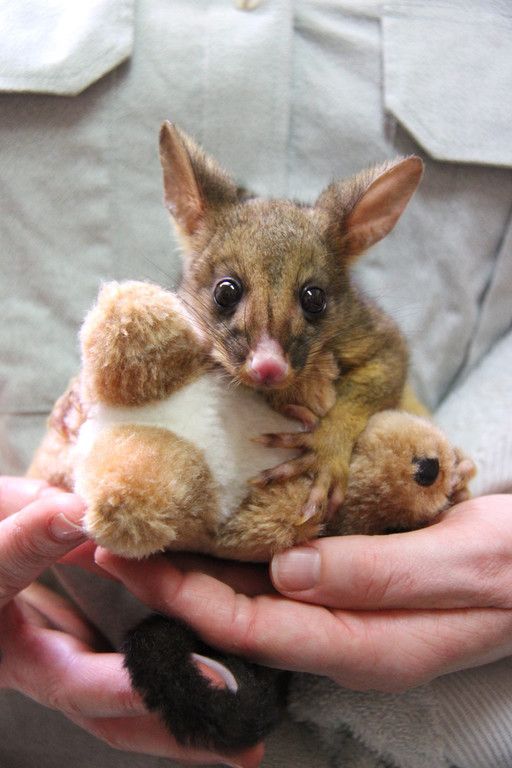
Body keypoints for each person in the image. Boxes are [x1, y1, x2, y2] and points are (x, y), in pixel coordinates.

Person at [1, 1, 511, 766]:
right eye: (229, 298)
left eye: (311, 302)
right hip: (52, 685)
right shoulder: (183, 302)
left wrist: (365, 448)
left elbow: (384, 362)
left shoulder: (354, 320)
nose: (267, 359)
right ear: (187, 213)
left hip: (436, 705)